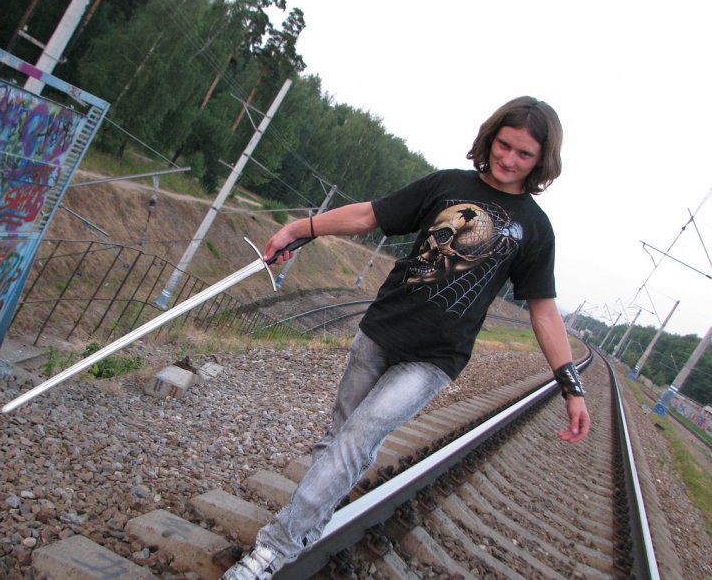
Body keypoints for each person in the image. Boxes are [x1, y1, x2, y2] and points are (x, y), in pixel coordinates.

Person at [222, 96, 591, 580]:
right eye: (504, 145)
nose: (509, 159)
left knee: (359, 439)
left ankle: (273, 550)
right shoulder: (447, 184)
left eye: (525, 154)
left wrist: (571, 386)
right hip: (381, 331)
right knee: (338, 441)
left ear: (542, 160)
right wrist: (300, 228)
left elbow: (543, 310)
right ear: (491, 138)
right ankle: (309, 522)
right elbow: (369, 215)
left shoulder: (535, 229)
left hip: (435, 358)